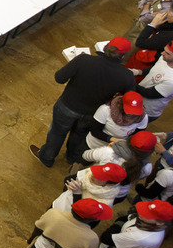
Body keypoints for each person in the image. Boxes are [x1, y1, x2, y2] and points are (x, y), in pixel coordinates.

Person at [31, 36, 135, 168]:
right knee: (79, 134)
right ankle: (72, 157)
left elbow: (59, 78)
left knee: (57, 131)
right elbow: (128, 98)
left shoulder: (84, 59)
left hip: (68, 106)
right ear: (123, 55)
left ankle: (47, 157)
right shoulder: (126, 76)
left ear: (106, 47)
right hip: (93, 112)